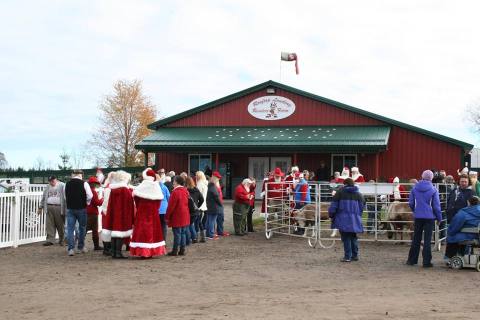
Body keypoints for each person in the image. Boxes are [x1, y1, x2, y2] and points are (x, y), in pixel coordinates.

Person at [406, 170, 442, 268]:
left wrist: (416, 211)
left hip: (418, 217)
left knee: (416, 239)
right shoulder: (434, 190)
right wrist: (439, 218)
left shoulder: (414, 188)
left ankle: (411, 260)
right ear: (431, 178)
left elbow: (411, 203)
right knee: (427, 240)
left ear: (422, 177)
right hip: (429, 218)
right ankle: (426, 262)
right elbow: (436, 206)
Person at [130, 168, 166, 258]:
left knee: (142, 233)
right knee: (153, 233)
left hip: (142, 213)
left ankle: (142, 252)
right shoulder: (156, 186)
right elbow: (159, 202)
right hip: (153, 214)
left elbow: (136, 199)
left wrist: (140, 208)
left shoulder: (141, 186)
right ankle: (151, 252)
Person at [328, 178, 365, 262]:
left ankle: (347, 256)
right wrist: (357, 215)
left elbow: (333, 206)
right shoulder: (359, 194)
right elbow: (362, 207)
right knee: (353, 236)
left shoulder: (340, 193)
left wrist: (331, 215)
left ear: (344, 184)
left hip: (343, 218)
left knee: (346, 237)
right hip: (355, 219)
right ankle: (355, 255)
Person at [102, 170, 135, 259]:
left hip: (114, 215)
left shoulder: (113, 190)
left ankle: (114, 252)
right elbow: (129, 205)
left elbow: (110, 204)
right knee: (120, 234)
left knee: (114, 234)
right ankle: (118, 253)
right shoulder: (126, 190)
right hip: (123, 215)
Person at [65, 170, 93, 256]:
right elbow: (90, 195)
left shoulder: (67, 184)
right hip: (81, 208)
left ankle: (71, 249)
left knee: (70, 229)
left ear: (73, 175)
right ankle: (80, 247)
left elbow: (64, 196)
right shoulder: (84, 183)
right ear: (81, 175)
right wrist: (86, 203)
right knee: (82, 228)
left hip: (70, 208)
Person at [37, 176, 66, 246]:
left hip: (59, 207)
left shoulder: (62, 185)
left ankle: (62, 239)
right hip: (49, 207)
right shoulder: (47, 187)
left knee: (60, 224)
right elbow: (44, 197)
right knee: (49, 224)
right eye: (50, 181)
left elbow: (66, 196)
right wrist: (40, 207)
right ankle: (50, 240)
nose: (51, 182)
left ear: (56, 180)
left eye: (53, 181)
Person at [165, 175, 190, 256]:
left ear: (176, 182)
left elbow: (171, 206)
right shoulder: (185, 191)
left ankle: (175, 250)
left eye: (174, 181)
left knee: (177, 234)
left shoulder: (175, 192)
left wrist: (167, 217)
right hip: (185, 215)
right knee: (182, 233)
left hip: (177, 216)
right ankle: (182, 250)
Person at [86, 176, 103, 251]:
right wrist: (102, 200)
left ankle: (79, 244)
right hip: (93, 213)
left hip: (86, 212)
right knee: (94, 230)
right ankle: (96, 246)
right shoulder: (93, 191)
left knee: (84, 229)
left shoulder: (86, 190)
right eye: (95, 183)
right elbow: (97, 202)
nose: (95, 185)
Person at [100, 171, 116, 256]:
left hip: (108, 212)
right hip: (108, 212)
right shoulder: (109, 189)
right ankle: (107, 248)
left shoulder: (108, 188)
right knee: (108, 230)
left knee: (107, 230)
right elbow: (106, 202)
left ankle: (108, 248)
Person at [206, 172, 224, 240]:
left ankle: (208, 234)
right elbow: (216, 196)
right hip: (214, 206)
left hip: (210, 206)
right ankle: (211, 234)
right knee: (211, 221)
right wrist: (220, 204)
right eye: (217, 178)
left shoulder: (210, 185)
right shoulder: (213, 186)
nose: (218, 180)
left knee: (209, 220)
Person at [186, 176, 204, 244]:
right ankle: (194, 238)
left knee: (188, 225)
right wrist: (197, 206)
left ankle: (190, 239)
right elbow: (202, 199)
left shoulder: (186, 190)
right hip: (196, 211)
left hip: (189, 211)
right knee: (190, 225)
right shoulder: (196, 189)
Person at [212, 171, 229, 237]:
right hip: (216, 204)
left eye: (219, 177)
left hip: (219, 203)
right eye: (218, 177)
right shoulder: (214, 185)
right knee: (214, 219)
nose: (219, 179)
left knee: (221, 218)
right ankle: (214, 232)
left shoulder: (217, 184)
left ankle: (220, 231)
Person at [196, 171, 209, 242]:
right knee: (199, 221)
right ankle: (202, 236)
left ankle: (198, 237)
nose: (196, 177)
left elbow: (198, 196)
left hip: (199, 205)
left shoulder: (199, 184)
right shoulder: (205, 184)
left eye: (196, 175)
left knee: (198, 221)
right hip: (203, 205)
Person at [158, 173, 170, 243]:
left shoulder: (153, 187)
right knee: (164, 226)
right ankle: (163, 241)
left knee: (157, 226)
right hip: (164, 210)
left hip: (157, 210)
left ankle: (158, 241)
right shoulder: (164, 187)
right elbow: (169, 198)